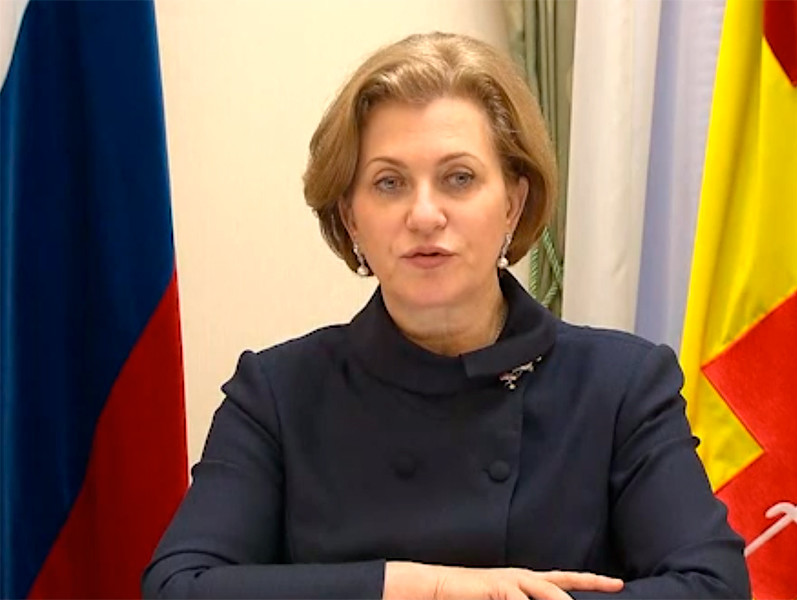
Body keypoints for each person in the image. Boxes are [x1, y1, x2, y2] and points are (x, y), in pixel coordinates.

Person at [142, 32, 751, 599]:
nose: (425, 215)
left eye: (459, 178)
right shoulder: (277, 393)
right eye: (389, 183)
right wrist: (423, 588)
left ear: (513, 203)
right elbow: (179, 587)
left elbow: (714, 588)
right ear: (351, 218)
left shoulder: (621, 385)